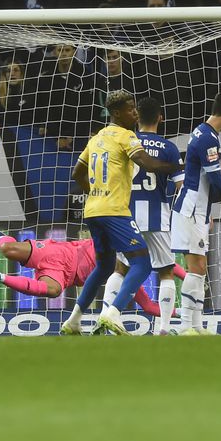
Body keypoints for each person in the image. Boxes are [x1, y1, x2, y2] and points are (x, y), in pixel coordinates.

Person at [62, 90, 183, 335]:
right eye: (130, 109)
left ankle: (74, 319)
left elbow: (76, 173)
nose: (135, 113)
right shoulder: (127, 136)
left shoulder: (97, 137)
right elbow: (149, 164)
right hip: (117, 211)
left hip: (93, 210)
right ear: (116, 113)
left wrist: (96, 192)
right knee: (143, 263)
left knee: (107, 266)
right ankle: (113, 313)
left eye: (135, 108)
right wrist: (182, 165)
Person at [100, 97, 184, 335]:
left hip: (128, 216)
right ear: (160, 118)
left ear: (137, 117)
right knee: (166, 271)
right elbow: (181, 187)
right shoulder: (169, 148)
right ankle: (164, 329)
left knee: (120, 268)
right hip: (158, 216)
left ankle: (106, 317)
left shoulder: (127, 142)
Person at [0, 225, 183, 318]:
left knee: (53, 290)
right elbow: (166, 264)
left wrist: (184, 313)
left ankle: (1, 277)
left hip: (62, 275)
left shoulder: (128, 279)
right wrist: (188, 276)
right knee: (8, 249)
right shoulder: (128, 246)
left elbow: (149, 306)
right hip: (61, 254)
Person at [170, 92, 221, 334]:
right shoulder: (208, 139)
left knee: (199, 268)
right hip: (191, 208)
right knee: (197, 266)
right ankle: (184, 327)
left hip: (198, 209)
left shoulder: (203, 132)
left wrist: (207, 211)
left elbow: (204, 179)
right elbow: (216, 178)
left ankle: (195, 325)